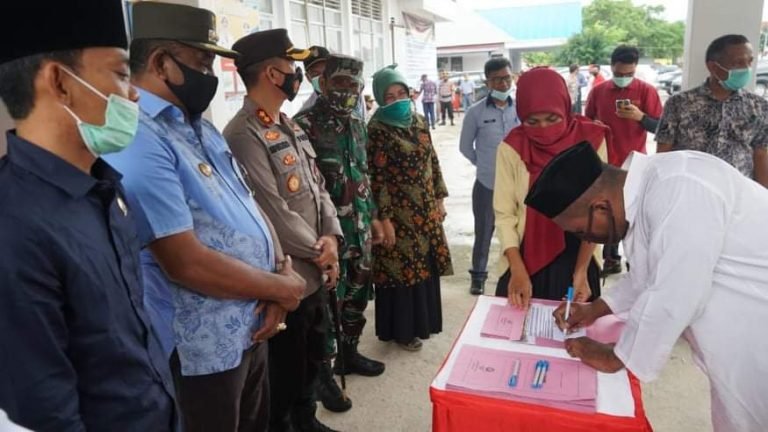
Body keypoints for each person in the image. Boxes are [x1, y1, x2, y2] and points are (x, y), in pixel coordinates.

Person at [104, 4, 305, 431]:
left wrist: (278, 278)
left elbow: (248, 204)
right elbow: (184, 261)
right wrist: (282, 289)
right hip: (201, 349)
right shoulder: (139, 136)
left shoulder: (197, 126)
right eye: (202, 62)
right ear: (161, 62)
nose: (211, 74)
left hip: (251, 326)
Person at [0, 1, 178, 430]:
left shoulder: (104, 188)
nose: (134, 93)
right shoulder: (15, 226)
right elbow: (45, 411)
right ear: (60, 82)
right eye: (120, 74)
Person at [525, 142, 768, 432]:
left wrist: (616, 356)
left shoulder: (681, 186)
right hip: (740, 336)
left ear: (600, 206)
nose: (586, 238)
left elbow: (676, 290)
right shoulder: (650, 190)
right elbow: (651, 271)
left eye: (580, 230)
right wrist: (595, 310)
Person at [222, 29, 343, 432]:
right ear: (274, 74)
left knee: (311, 358)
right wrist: (318, 249)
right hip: (286, 275)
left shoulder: (287, 124)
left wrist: (332, 239)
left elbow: (318, 186)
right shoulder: (243, 134)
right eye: (292, 66)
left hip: (315, 267)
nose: (297, 74)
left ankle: (307, 420)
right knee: (284, 373)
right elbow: (271, 209)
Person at [294, 54, 387, 413]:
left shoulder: (357, 125)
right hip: (329, 236)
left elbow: (363, 176)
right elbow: (304, 191)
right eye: (340, 84)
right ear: (324, 84)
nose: (348, 92)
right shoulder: (304, 126)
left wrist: (374, 217)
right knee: (328, 307)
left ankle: (349, 353)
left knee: (357, 297)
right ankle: (324, 377)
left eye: (354, 85)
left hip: (360, 230)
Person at [494, 67, 605, 308]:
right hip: (525, 256)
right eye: (532, 121)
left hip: (579, 256)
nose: (543, 128)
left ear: (565, 108)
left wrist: (581, 272)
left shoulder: (591, 140)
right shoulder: (512, 148)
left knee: (575, 337)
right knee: (518, 335)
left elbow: (598, 212)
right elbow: (504, 214)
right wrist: (517, 269)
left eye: (552, 119)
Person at [367, 65, 454, 351]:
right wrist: (385, 218)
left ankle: (424, 324)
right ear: (380, 99)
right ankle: (402, 331)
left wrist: (439, 199)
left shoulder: (418, 121)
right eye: (389, 96)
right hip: (399, 214)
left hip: (425, 209)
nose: (397, 100)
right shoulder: (377, 129)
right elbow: (376, 177)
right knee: (400, 271)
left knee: (424, 268)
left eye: (401, 93)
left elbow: (433, 161)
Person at [585, 45, 662, 276]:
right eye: (619, 74)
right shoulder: (598, 92)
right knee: (607, 214)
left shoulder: (647, 91)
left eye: (629, 74)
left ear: (636, 69)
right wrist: (594, 127)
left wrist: (641, 118)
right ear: (611, 68)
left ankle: (635, 262)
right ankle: (611, 259)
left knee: (635, 216)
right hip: (605, 165)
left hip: (635, 164)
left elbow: (662, 128)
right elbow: (584, 123)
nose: (624, 79)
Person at [656, 34, 768, 187]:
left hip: (738, 197)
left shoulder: (759, 106)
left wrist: (763, 199)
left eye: (749, 62)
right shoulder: (679, 104)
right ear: (713, 67)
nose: (746, 69)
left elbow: (761, 155)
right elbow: (663, 153)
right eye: (738, 63)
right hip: (689, 192)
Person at [459, 57, 520, 295]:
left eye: (507, 78)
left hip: (518, 185)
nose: (504, 84)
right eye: (497, 80)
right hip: (488, 184)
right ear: (488, 82)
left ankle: (515, 271)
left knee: (518, 231)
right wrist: (483, 163)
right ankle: (478, 276)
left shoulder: (521, 107)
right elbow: (465, 147)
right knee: (484, 232)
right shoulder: (475, 113)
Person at [299, 45, 330, 112]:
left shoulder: (352, 96)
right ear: (308, 77)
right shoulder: (305, 113)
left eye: (326, 71)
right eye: (316, 73)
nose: (322, 77)